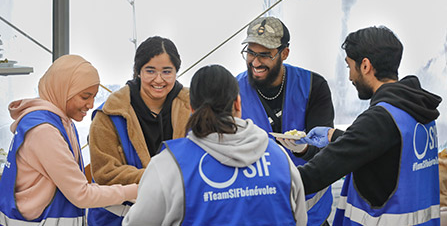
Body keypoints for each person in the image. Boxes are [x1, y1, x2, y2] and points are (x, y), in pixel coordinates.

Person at [287, 26, 442, 225]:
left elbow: (316, 174)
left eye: (349, 66)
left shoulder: (380, 118)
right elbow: (384, 148)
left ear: (366, 66)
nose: (350, 77)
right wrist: (333, 136)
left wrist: (266, 180)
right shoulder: (417, 110)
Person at [122, 64, 308, 225]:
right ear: (237, 102)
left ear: (192, 109)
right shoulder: (280, 158)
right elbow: (300, 219)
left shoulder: (170, 165)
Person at [0, 55, 137, 225]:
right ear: (63, 89)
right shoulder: (44, 131)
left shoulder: (60, 122)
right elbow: (81, 194)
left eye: (94, 96)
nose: (91, 104)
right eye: (85, 96)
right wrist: (136, 191)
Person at [236, 16, 335, 225]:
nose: (255, 62)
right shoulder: (232, 91)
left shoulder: (313, 86)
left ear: (285, 53)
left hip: (312, 214)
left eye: (264, 55)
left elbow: (328, 150)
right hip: (258, 214)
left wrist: (304, 150)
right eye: (251, 52)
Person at [87, 36, 191, 225]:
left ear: (176, 72)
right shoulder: (109, 114)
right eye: (150, 71)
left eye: (167, 71)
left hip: (180, 216)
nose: (158, 79)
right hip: (119, 218)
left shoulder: (194, 108)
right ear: (138, 71)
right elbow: (105, 173)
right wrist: (163, 178)